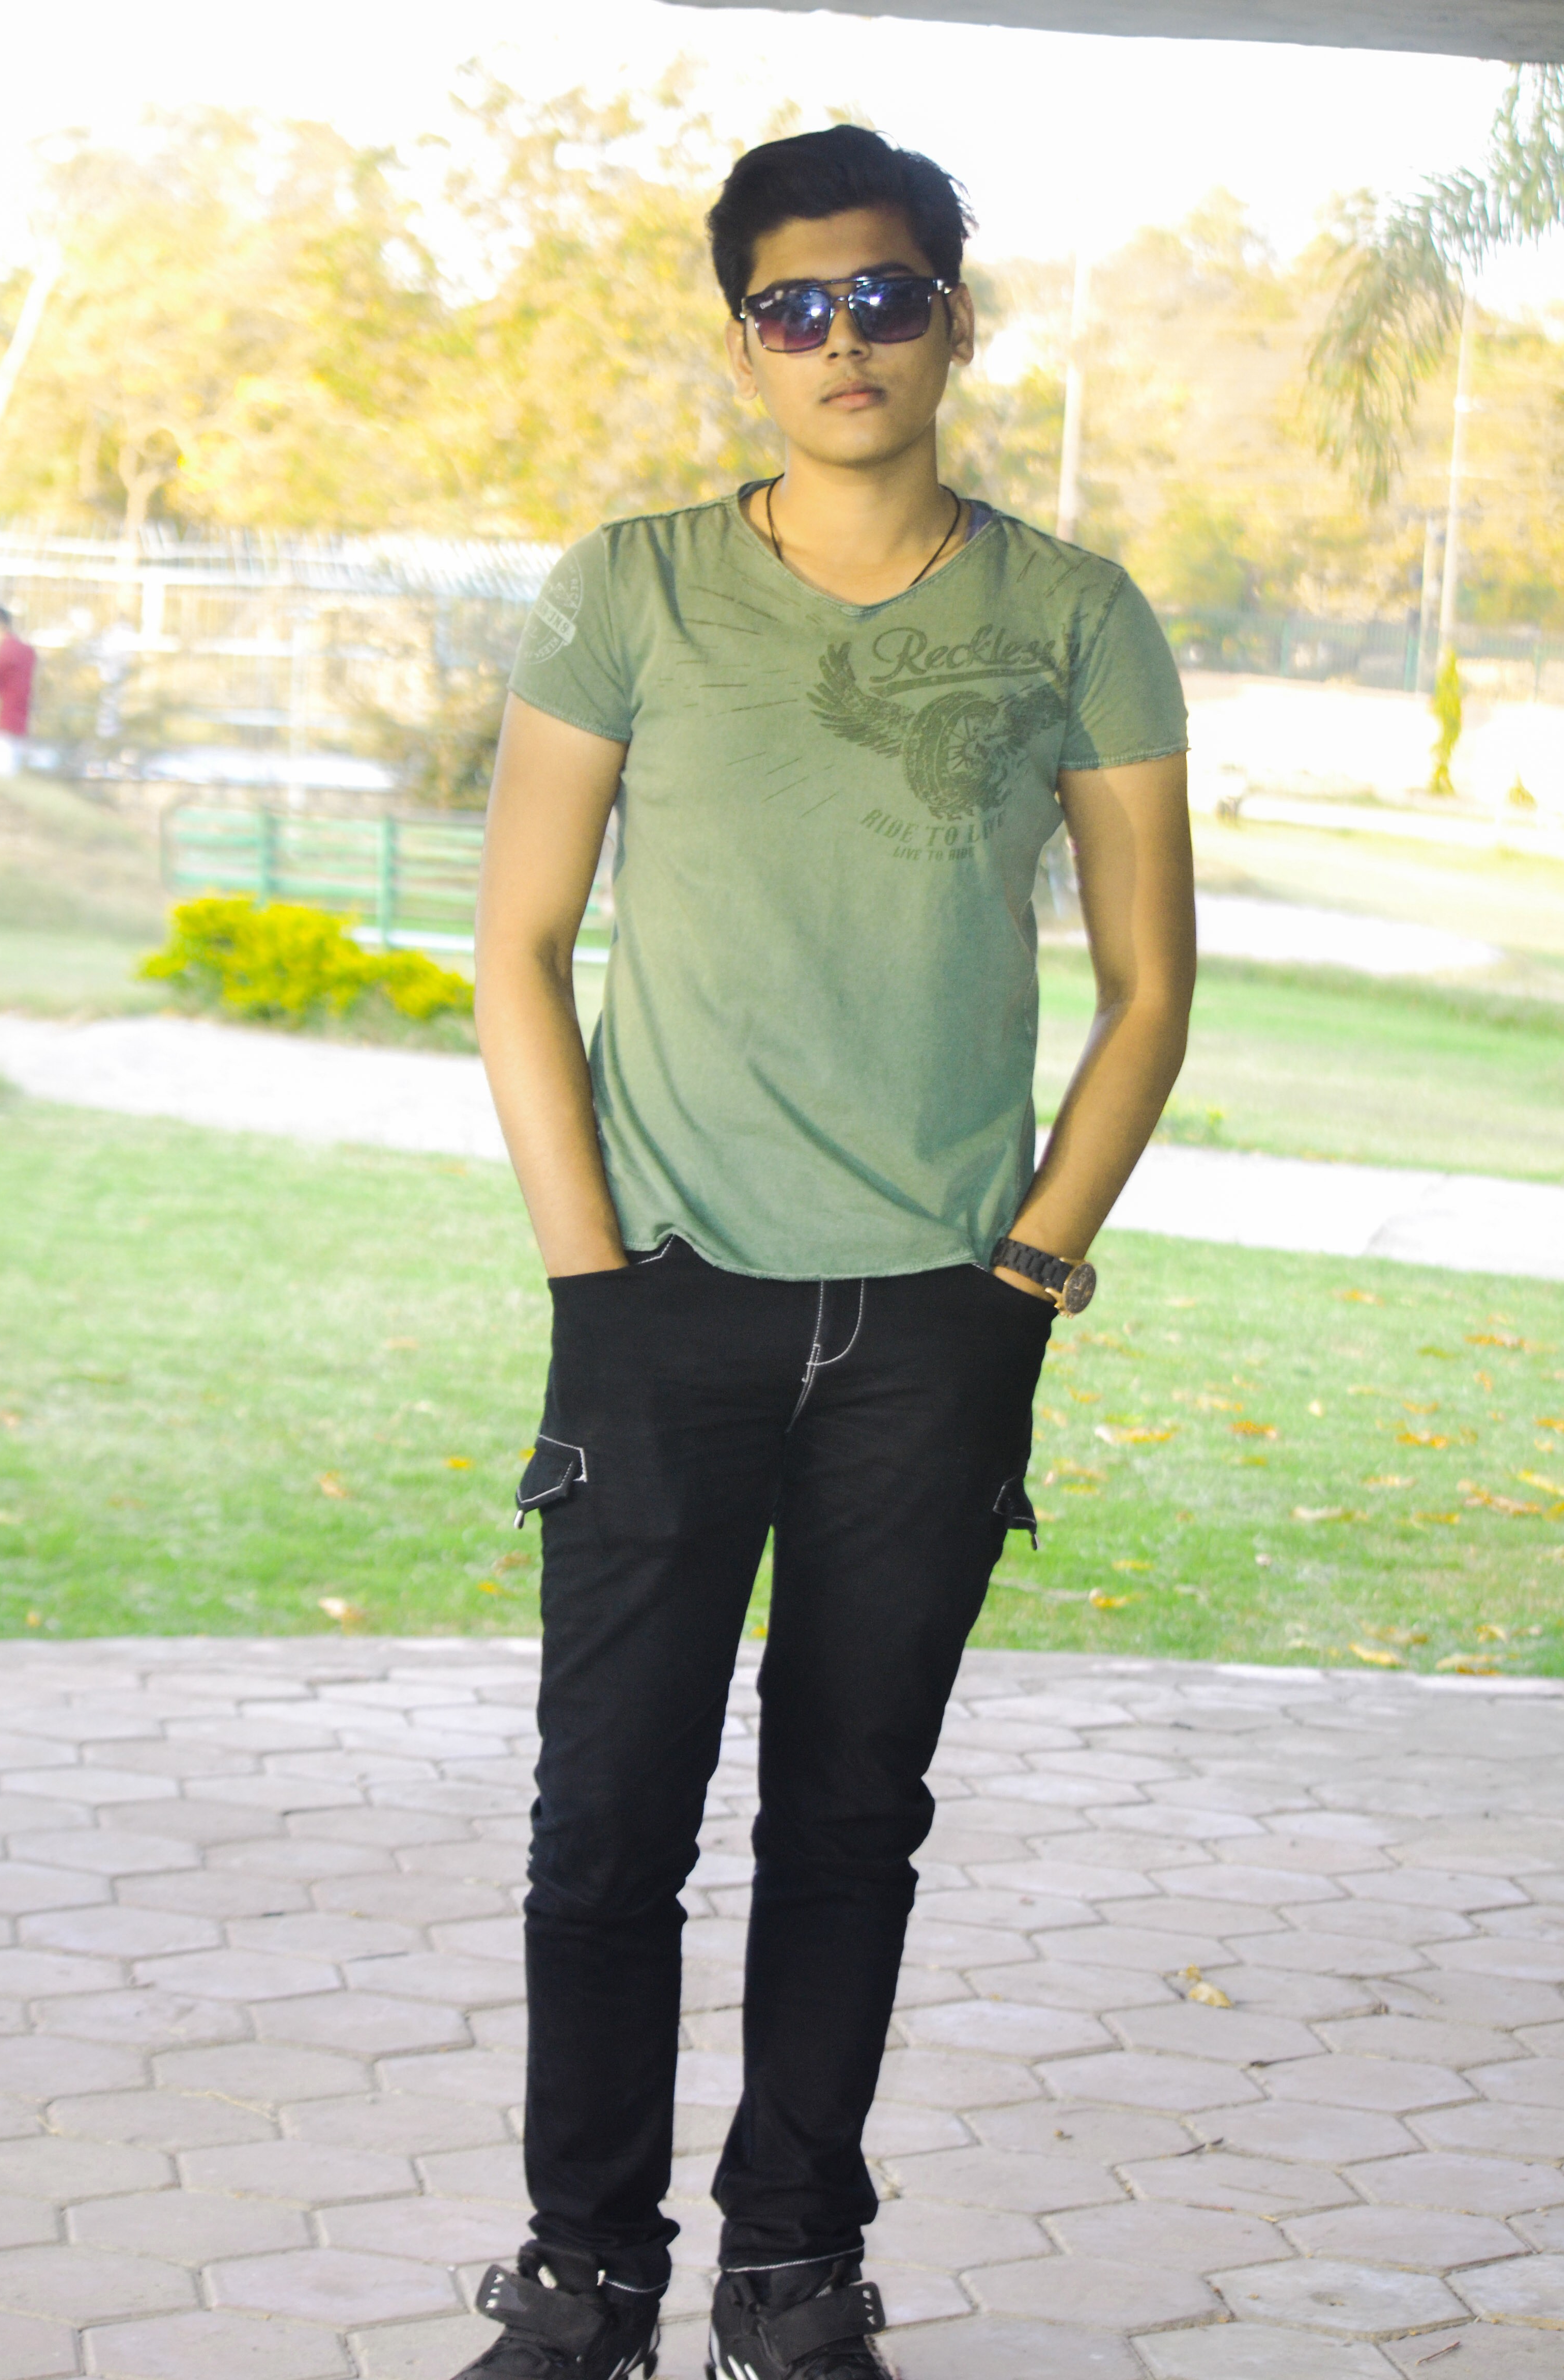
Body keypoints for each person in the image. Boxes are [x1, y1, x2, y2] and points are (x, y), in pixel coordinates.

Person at [463, 123, 1194, 2380]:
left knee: (848, 1824)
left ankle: (790, 2272)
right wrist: (590, 1283)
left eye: (882, 296)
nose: (841, 339)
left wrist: (1026, 1277)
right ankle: (586, 2273)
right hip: (660, 1303)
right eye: (793, 307)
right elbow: (518, 943)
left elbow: (1149, 987)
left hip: (931, 1329)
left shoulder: (1073, 617)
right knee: (606, 1829)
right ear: (741, 348)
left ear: (950, 320)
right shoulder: (634, 591)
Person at [0, 605, 37, 776]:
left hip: (6, 719)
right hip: (22, 719)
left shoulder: (6, 650)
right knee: (11, 771)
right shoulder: (28, 651)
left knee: (0, 770)